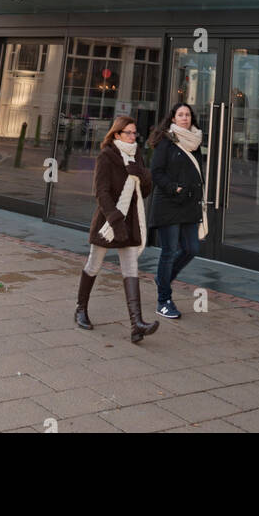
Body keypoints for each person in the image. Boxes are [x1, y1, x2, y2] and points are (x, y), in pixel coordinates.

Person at [73, 114, 158, 344]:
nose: (132, 136)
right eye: (128, 132)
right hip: (109, 222)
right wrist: (114, 220)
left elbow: (145, 191)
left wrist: (142, 174)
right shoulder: (106, 156)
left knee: (131, 269)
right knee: (94, 264)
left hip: (130, 221)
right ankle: (80, 309)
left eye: (134, 133)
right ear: (117, 134)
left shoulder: (136, 155)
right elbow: (101, 192)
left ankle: (136, 325)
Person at [148, 102, 207, 319]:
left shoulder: (195, 142)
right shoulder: (167, 141)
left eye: (188, 114)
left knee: (191, 248)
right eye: (180, 114)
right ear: (173, 118)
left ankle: (162, 278)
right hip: (169, 203)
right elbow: (156, 172)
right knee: (169, 251)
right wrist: (175, 188)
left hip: (189, 204)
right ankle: (163, 300)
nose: (185, 118)